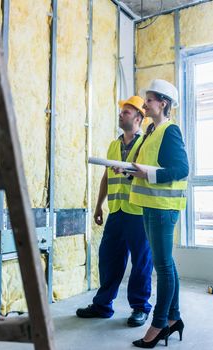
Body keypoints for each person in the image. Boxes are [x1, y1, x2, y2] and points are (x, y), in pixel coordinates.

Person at [76, 96, 153, 327]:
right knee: (108, 258)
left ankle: (140, 307)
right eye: (121, 112)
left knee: (141, 261)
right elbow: (106, 176)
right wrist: (99, 204)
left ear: (139, 117)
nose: (121, 115)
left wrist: (127, 172)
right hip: (117, 211)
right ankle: (103, 305)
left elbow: (147, 175)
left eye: (126, 112)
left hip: (138, 211)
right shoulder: (113, 144)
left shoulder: (145, 144)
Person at [129, 80, 189, 348]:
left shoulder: (170, 130)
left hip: (164, 209)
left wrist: (147, 173)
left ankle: (160, 322)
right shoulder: (152, 132)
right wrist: (131, 170)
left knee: (162, 267)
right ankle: (174, 318)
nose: (145, 104)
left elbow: (181, 169)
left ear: (162, 103)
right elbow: (148, 166)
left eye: (149, 99)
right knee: (166, 263)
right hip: (151, 205)